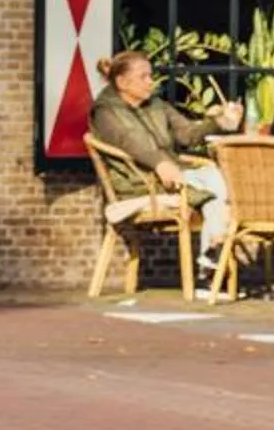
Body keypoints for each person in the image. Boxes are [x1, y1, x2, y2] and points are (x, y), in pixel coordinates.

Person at [86, 49, 246, 283]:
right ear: (122, 82)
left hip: (174, 172)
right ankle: (210, 269)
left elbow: (187, 133)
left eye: (150, 75)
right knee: (213, 190)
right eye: (144, 77)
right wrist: (160, 164)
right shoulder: (105, 111)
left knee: (216, 177)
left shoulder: (156, 105)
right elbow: (130, 142)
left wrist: (220, 121)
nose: (151, 82)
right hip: (139, 182)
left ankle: (211, 257)